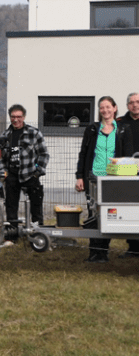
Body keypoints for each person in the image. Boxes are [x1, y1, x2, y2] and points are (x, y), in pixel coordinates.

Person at [74, 96, 124, 263]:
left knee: (109, 215)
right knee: (93, 215)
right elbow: (83, 153)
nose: (105, 110)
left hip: (114, 180)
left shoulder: (121, 129)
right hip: (93, 179)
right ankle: (93, 252)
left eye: (108, 107)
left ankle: (104, 252)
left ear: (115, 108)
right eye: (102, 108)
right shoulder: (92, 129)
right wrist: (79, 176)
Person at [0, 104, 49, 230]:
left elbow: (43, 154)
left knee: (36, 207)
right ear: (10, 117)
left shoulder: (34, 133)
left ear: (24, 117)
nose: (16, 120)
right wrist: (4, 172)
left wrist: (38, 171)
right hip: (11, 176)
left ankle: (37, 233)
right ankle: (12, 234)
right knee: (11, 206)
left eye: (19, 117)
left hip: (30, 174)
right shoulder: (4, 136)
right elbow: (1, 158)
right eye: (13, 117)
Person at [118, 92, 139, 258]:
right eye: (131, 103)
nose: (135, 105)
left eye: (138, 102)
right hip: (128, 170)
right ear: (127, 106)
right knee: (130, 208)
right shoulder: (120, 123)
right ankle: (133, 247)